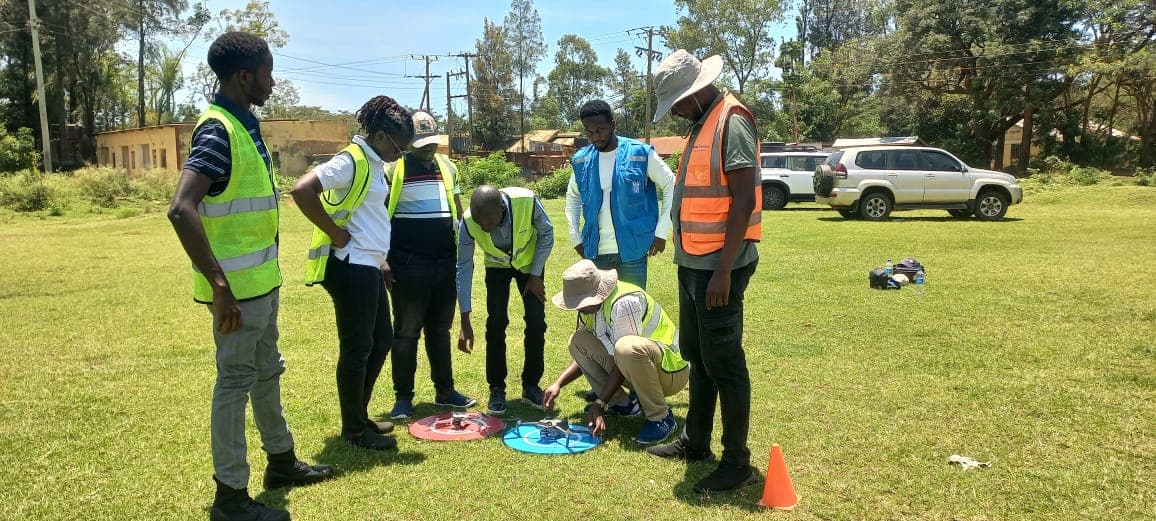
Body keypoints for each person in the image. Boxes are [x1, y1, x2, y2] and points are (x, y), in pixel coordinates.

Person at [167, 31, 332, 521]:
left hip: (262, 285)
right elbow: (181, 209)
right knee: (235, 382)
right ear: (244, 76)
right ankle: (230, 498)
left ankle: (281, 461)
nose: (272, 80)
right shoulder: (217, 130)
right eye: (266, 72)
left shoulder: (244, 124)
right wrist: (220, 287)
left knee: (267, 371)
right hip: (237, 294)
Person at [643, 49, 763, 493]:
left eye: (676, 102)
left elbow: (745, 199)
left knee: (725, 362)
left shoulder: (732, 120)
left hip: (718, 267)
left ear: (695, 92)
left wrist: (724, 270)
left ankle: (737, 461)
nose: (673, 111)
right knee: (698, 357)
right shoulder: (701, 123)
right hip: (692, 262)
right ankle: (696, 442)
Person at [290, 96, 413, 451]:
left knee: (382, 340)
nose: (399, 155)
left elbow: (368, 215)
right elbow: (302, 190)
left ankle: (359, 415)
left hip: (369, 264)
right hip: (349, 265)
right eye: (398, 147)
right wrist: (334, 232)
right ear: (378, 136)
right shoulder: (350, 161)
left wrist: (383, 259)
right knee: (358, 347)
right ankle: (355, 430)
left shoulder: (376, 164)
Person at [385, 109, 474, 420]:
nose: (429, 147)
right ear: (408, 141)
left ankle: (445, 390)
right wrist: (383, 259)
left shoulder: (447, 167)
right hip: (408, 265)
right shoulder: (393, 169)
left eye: (433, 141)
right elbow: (380, 215)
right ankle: (403, 398)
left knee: (439, 330)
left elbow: (458, 211)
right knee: (407, 332)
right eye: (422, 142)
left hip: (444, 263)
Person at [542, 259, 689, 445]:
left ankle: (661, 418)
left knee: (626, 348)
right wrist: (558, 384)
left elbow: (626, 356)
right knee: (577, 340)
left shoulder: (624, 303)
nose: (579, 308)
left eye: (581, 302)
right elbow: (588, 356)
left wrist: (599, 403)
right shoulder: (589, 310)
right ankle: (624, 405)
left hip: (670, 373)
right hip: (638, 368)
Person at [456, 185, 554, 415]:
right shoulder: (469, 222)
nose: (485, 229)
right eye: (481, 224)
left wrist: (536, 274)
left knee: (536, 323)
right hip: (497, 267)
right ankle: (497, 388)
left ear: (502, 208)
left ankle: (531, 386)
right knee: (496, 323)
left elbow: (547, 233)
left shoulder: (527, 201)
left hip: (530, 266)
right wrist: (465, 317)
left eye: (489, 223)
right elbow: (464, 266)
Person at [566, 100, 675, 290]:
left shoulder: (640, 153)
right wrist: (575, 236)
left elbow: (671, 185)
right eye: (589, 132)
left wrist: (661, 232)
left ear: (613, 125)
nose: (595, 137)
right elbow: (573, 197)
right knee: (598, 311)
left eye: (600, 130)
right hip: (594, 252)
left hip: (633, 251)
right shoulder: (582, 160)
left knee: (631, 309)